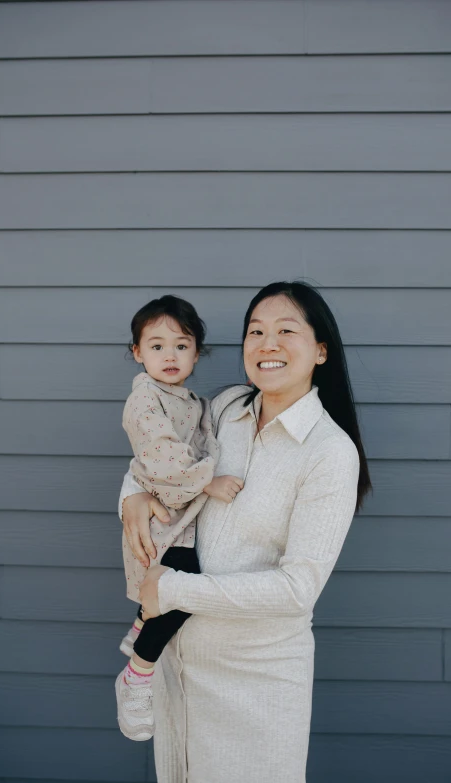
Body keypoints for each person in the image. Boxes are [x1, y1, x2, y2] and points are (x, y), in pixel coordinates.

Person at [119, 281, 372, 783]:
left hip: (257, 685)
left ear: (320, 350)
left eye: (285, 330)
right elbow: (163, 458)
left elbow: (298, 589)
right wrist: (130, 495)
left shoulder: (329, 452)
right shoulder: (227, 407)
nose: (267, 343)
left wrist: (171, 588)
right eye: (255, 331)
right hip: (178, 670)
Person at [116, 294, 244, 741]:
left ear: (196, 351)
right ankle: (138, 672)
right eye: (156, 346)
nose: (169, 355)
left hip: (180, 515)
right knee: (176, 590)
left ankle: (140, 627)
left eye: (181, 345)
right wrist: (209, 480)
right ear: (137, 352)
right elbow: (162, 457)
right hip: (162, 518)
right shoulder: (145, 401)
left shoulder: (190, 399)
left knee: (172, 590)